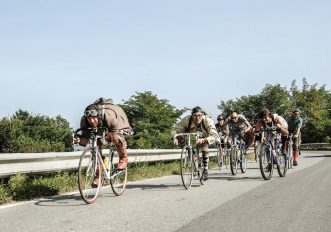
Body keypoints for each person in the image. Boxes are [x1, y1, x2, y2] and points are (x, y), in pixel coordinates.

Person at [74, 99, 133, 186]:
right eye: (89, 119)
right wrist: (79, 139)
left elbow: (120, 136)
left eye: (94, 118)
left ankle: (124, 159)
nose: (92, 121)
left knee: (116, 138)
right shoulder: (84, 121)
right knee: (95, 147)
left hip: (115, 126)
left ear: (98, 116)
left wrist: (110, 136)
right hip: (100, 129)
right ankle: (98, 175)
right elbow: (86, 138)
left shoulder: (110, 116)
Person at [172, 106, 220, 180]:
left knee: (204, 149)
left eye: (199, 115)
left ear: (202, 115)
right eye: (195, 116)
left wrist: (204, 140)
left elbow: (214, 135)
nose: (197, 118)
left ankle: (205, 169)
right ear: (192, 115)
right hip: (191, 134)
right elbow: (176, 128)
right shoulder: (187, 120)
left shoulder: (208, 121)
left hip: (205, 136)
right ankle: (190, 153)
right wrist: (174, 137)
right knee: (179, 136)